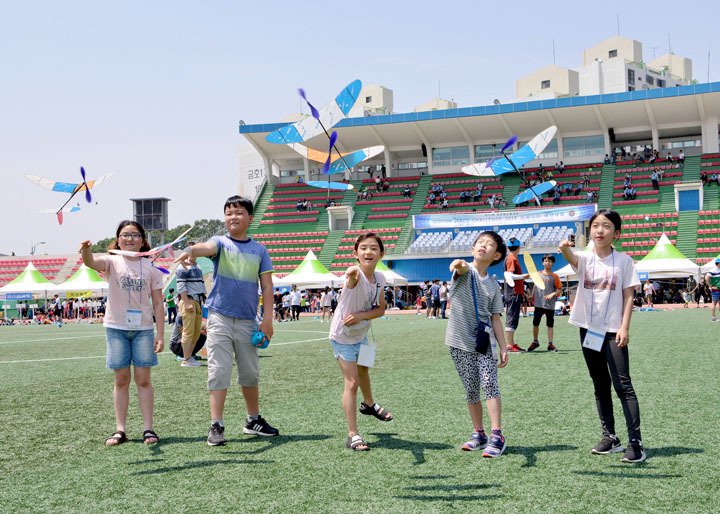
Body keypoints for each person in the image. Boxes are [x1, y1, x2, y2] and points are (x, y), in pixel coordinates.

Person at [175, 195, 278, 446]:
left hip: (247, 321)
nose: (233, 217)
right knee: (218, 371)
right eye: (229, 213)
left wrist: (267, 321)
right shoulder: (219, 242)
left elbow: (266, 287)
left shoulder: (259, 250)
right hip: (219, 317)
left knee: (250, 374)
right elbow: (205, 248)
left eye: (239, 212)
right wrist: (189, 249)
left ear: (250, 218)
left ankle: (253, 420)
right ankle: (216, 424)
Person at [558, 209, 645, 463]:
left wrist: (624, 327)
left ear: (616, 233)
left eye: (606, 226)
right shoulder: (585, 258)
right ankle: (610, 437)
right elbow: (572, 258)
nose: (599, 230)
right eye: (595, 225)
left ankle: (635, 442)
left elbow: (629, 296)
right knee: (599, 383)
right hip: (589, 329)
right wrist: (564, 248)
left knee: (623, 385)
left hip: (613, 330)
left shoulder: (625, 261)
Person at [80, 220, 165, 446]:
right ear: (118, 239)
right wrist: (86, 251)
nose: (130, 239)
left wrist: (160, 334)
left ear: (142, 240)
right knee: (121, 379)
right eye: (125, 235)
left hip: (144, 330)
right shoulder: (111, 261)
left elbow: (158, 304)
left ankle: (148, 428)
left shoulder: (151, 268)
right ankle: (120, 429)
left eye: (135, 235)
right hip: (116, 328)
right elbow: (91, 262)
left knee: (143, 379)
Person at [446, 231, 509, 457]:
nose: (483, 246)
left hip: (484, 343)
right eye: (479, 243)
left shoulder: (493, 284)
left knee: (489, 383)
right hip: (458, 342)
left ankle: (497, 435)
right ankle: (478, 433)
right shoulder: (463, 273)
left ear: (496, 255)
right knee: (471, 389)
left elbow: (495, 317)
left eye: (489, 244)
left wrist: (504, 347)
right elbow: (460, 269)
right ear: (473, 249)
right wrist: (460, 265)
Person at [329, 233, 391, 451]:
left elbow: (381, 309)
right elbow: (352, 276)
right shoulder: (354, 276)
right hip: (343, 336)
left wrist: (361, 316)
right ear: (355, 254)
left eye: (374, 248)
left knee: (365, 370)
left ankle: (369, 404)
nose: (368, 252)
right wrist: (351, 272)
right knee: (352, 383)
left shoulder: (381, 279)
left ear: (381, 254)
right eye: (363, 248)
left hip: (363, 334)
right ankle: (352, 434)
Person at [175, 247, 207, 367]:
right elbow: (181, 286)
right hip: (190, 300)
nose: (195, 256)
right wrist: (186, 302)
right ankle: (186, 359)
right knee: (188, 331)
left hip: (198, 301)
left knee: (196, 332)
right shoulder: (182, 267)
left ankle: (189, 357)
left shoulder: (197, 266)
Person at [527, 254, 563, 352]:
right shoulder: (538, 274)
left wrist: (552, 294)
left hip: (550, 305)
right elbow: (535, 286)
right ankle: (535, 342)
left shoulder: (555, 276)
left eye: (550, 261)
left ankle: (550, 344)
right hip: (538, 304)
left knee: (550, 325)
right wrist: (532, 296)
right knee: (535, 323)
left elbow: (559, 289)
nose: (548, 263)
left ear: (553, 263)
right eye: (546, 261)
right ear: (543, 262)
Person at [504, 238, 529, 352]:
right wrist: (522, 276)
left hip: (515, 292)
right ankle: (509, 345)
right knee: (512, 318)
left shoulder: (511, 258)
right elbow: (509, 275)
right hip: (513, 293)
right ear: (519, 248)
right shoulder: (511, 258)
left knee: (513, 318)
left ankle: (511, 343)